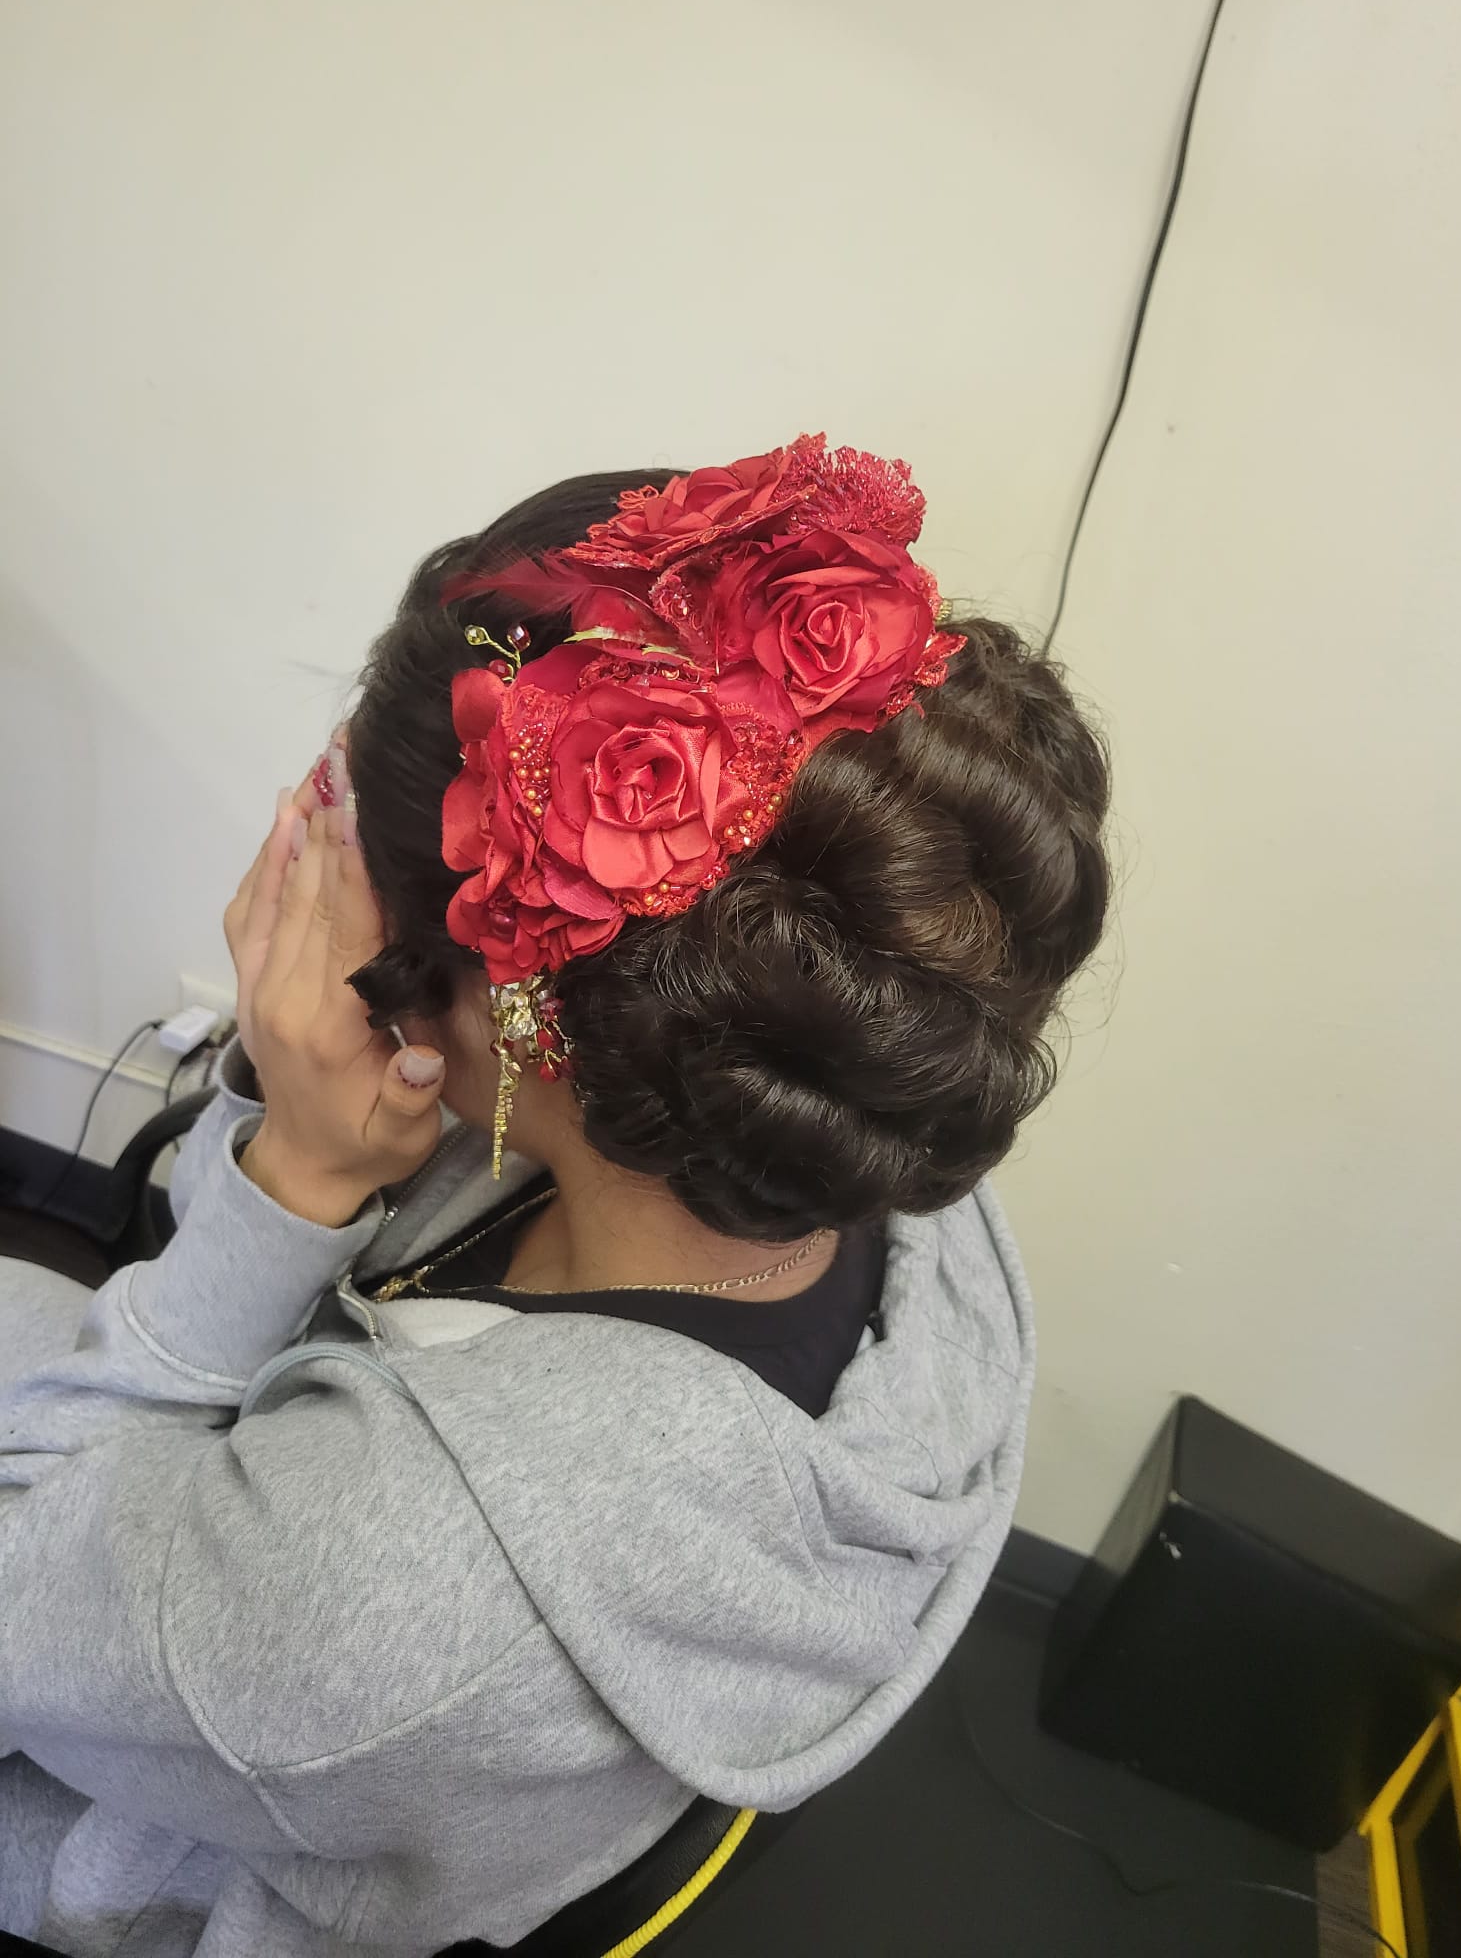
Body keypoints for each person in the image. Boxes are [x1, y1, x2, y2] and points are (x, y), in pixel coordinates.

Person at [0, 436, 1110, 1955]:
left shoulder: (387, 1584)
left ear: (493, 1011)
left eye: (362, 880)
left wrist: (299, 1180)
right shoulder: (857, 1140)